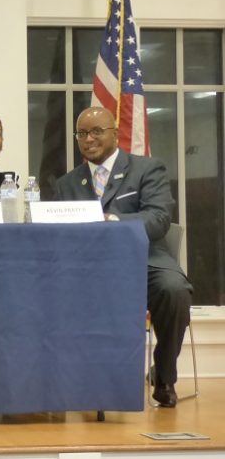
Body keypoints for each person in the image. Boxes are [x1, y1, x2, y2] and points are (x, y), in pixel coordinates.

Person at [54, 106, 192, 408]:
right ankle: (65, 382)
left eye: (96, 131)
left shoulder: (147, 168)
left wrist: (114, 222)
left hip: (143, 259)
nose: (88, 139)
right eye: (81, 133)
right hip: (86, 269)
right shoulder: (66, 184)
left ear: (115, 134)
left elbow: (158, 219)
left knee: (174, 289)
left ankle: (165, 377)